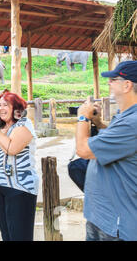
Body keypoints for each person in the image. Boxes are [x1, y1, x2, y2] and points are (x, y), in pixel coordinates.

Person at [76, 60, 137, 241]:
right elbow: (116, 144)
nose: (109, 83)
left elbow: (83, 149)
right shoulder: (124, 116)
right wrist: (98, 124)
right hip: (101, 217)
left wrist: (83, 117)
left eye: (113, 79)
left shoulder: (131, 123)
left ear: (127, 85)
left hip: (116, 224)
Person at [0, 91, 39, 241]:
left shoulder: (24, 124)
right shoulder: (1, 128)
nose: (1, 108)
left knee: (20, 236)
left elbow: (12, 149)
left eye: (5, 105)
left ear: (16, 108)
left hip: (20, 189)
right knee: (6, 235)